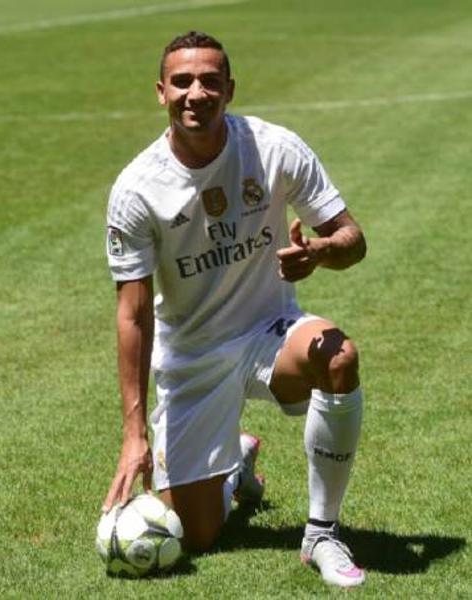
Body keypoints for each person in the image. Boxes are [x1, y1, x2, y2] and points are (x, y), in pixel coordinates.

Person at [103, 31, 367, 588]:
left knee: (339, 357)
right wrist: (133, 434)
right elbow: (133, 315)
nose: (196, 93)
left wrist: (321, 253)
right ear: (161, 92)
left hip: (269, 332)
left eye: (210, 81)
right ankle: (234, 466)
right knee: (196, 534)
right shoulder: (137, 188)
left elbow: (352, 238)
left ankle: (321, 533)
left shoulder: (274, 148)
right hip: (192, 358)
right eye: (182, 82)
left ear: (229, 89)